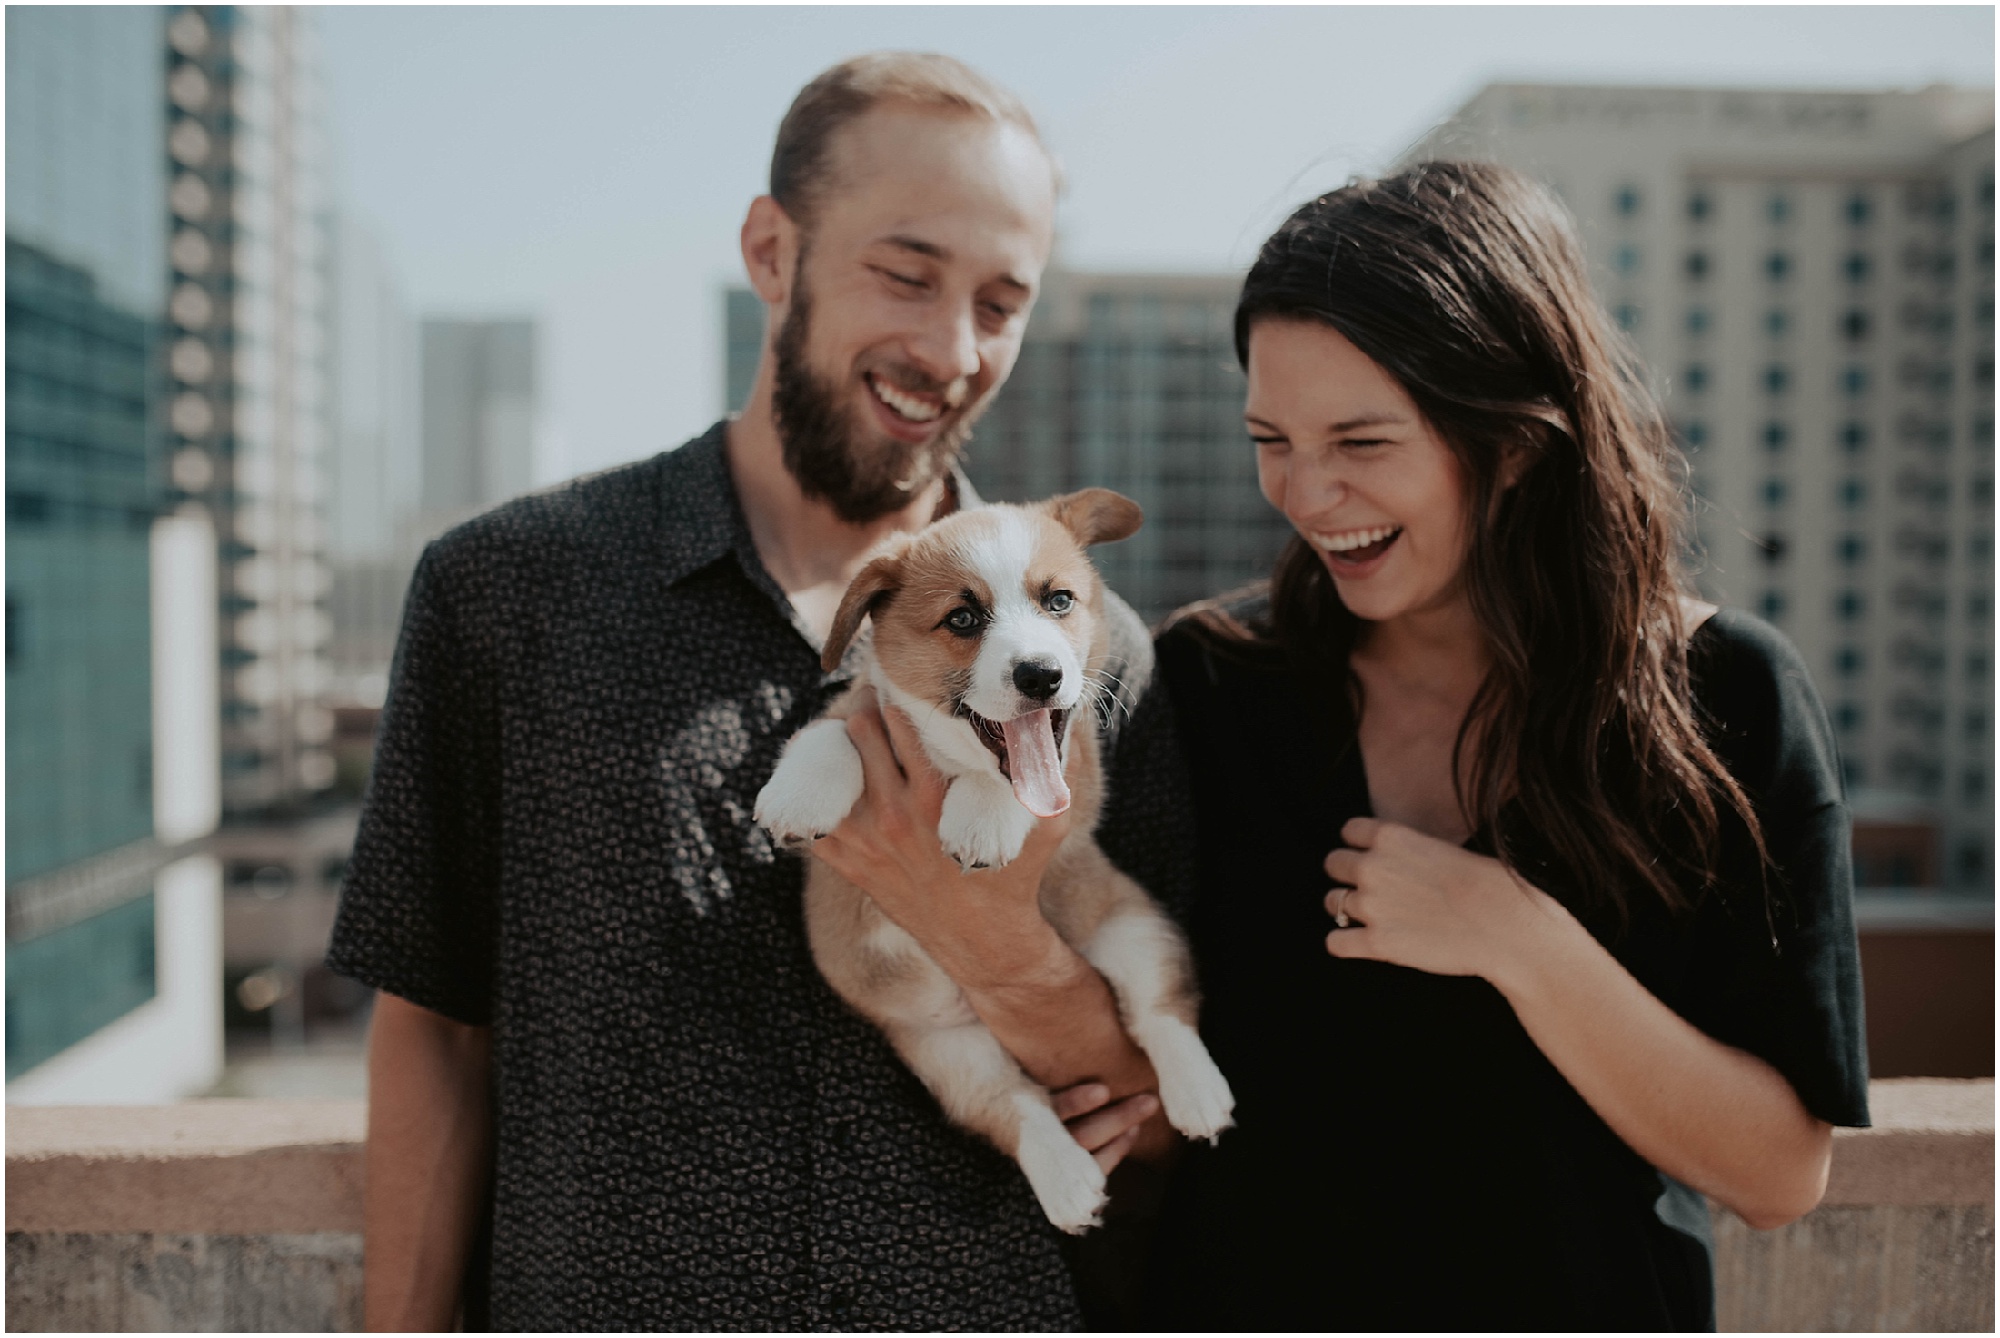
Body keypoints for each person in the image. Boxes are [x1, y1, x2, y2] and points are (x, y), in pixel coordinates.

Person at [327, 52, 1166, 1331]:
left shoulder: (1106, 663)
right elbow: (435, 1028)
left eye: (1000, 302)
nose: (950, 348)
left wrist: (992, 942)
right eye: (906, 272)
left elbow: (1146, 1103)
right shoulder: (504, 591)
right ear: (771, 252)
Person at [1089, 162, 1871, 1330]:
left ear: (1511, 441)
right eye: (1271, 438)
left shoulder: (1726, 695)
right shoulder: (1199, 682)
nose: (1305, 493)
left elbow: (1777, 1173)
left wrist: (1519, 941)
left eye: (1360, 439)